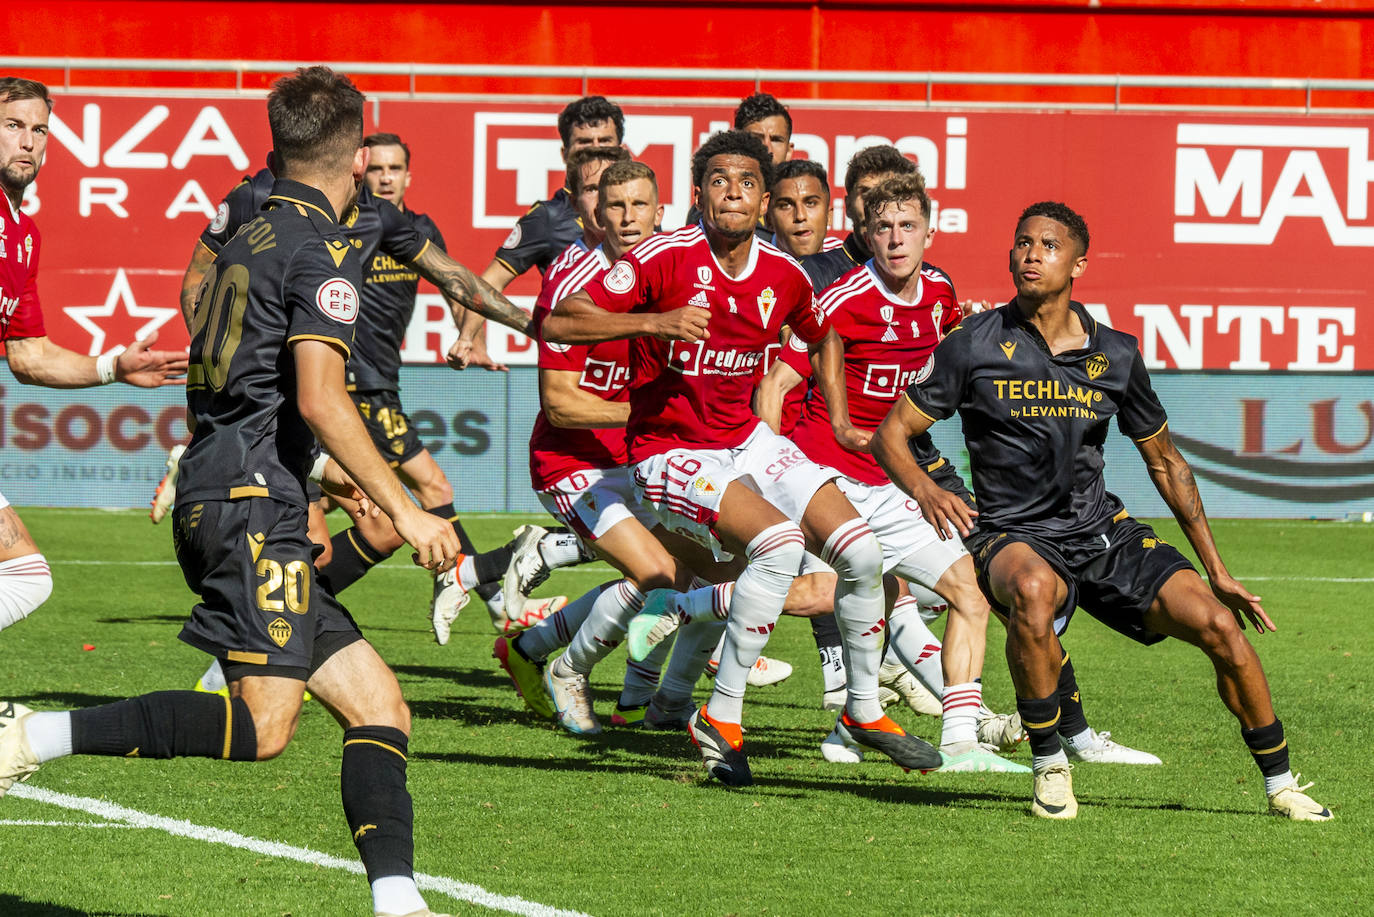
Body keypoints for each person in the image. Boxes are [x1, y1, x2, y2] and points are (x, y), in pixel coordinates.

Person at [0, 67, 464, 917]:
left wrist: (323, 475)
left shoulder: (238, 238)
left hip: (244, 489)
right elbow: (323, 398)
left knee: (380, 706)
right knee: (261, 727)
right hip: (253, 505)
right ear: (356, 156)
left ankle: (400, 903)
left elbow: (242, 393)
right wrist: (404, 506)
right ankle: (27, 737)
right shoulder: (323, 252)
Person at [872, 200, 1332, 821]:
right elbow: (893, 434)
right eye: (1022, 243)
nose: (1031, 255)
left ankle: (1281, 786)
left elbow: (1166, 462)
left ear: (1078, 263)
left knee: (1220, 628)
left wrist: (1217, 570)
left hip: (1100, 531)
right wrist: (932, 490)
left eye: (1048, 246)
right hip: (1012, 533)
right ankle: (1051, 767)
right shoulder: (972, 344)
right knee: (1032, 591)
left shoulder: (1116, 354)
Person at [545, 130, 941, 786]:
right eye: (720, 181)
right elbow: (564, 319)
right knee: (781, 545)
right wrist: (653, 321)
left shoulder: (783, 273)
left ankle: (865, 710)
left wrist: (840, 419)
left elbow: (824, 336)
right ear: (698, 194)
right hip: (667, 449)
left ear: (763, 200)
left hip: (745, 439)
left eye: (749, 183)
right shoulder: (657, 259)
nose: (734, 191)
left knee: (862, 551)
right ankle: (721, 716)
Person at [0, 77, 187, 635]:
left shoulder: (23, 235)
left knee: (27, 575)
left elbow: (28, 354)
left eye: (40, 130)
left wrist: (112, 368)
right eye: (13, 125)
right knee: (26, 576)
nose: (28, 142)